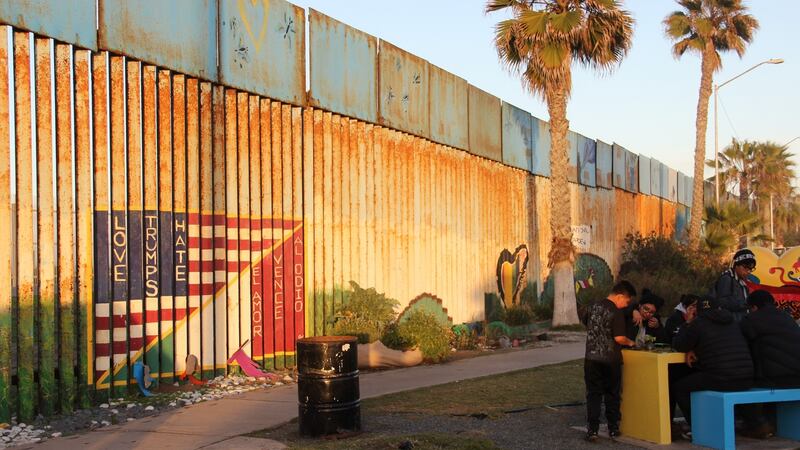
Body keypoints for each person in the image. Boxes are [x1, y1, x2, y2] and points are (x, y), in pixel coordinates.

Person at [671, 296, 754, 437]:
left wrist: (688, 322)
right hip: (747, 377)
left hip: (722, 377)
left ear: (698, 311)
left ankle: (699, 428)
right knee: (698, 379)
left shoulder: (699, 323)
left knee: (680, 388)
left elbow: (679, 344)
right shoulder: (732, 322)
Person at [580, 280, 637, 441]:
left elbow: (589, 325)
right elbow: (619, 338)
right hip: (610, 360)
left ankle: (592, 430)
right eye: (626, 301)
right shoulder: (616, 311)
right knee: (612, 394)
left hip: (591, 358)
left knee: (593, 394)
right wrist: (631, 342)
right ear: (620, 296)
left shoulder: (592, 307)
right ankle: (613, 428)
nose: (626, 305)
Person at [738, 290, 800, 438]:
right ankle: (770, 424)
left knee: (738, 382)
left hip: (774, 379)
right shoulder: (787, 318)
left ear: (753, 307)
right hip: (797, 377)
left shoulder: (750, 320)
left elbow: (740, 347)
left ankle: (756, 425)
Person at [712, 248, 756, 321]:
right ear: (736, 265)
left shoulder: (744, 282)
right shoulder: (727, 279)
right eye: (745, 267)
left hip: (742, 324)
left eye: (751, 269)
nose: (748, 271)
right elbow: (722, 302)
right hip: (731, 325)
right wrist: (746, 304)